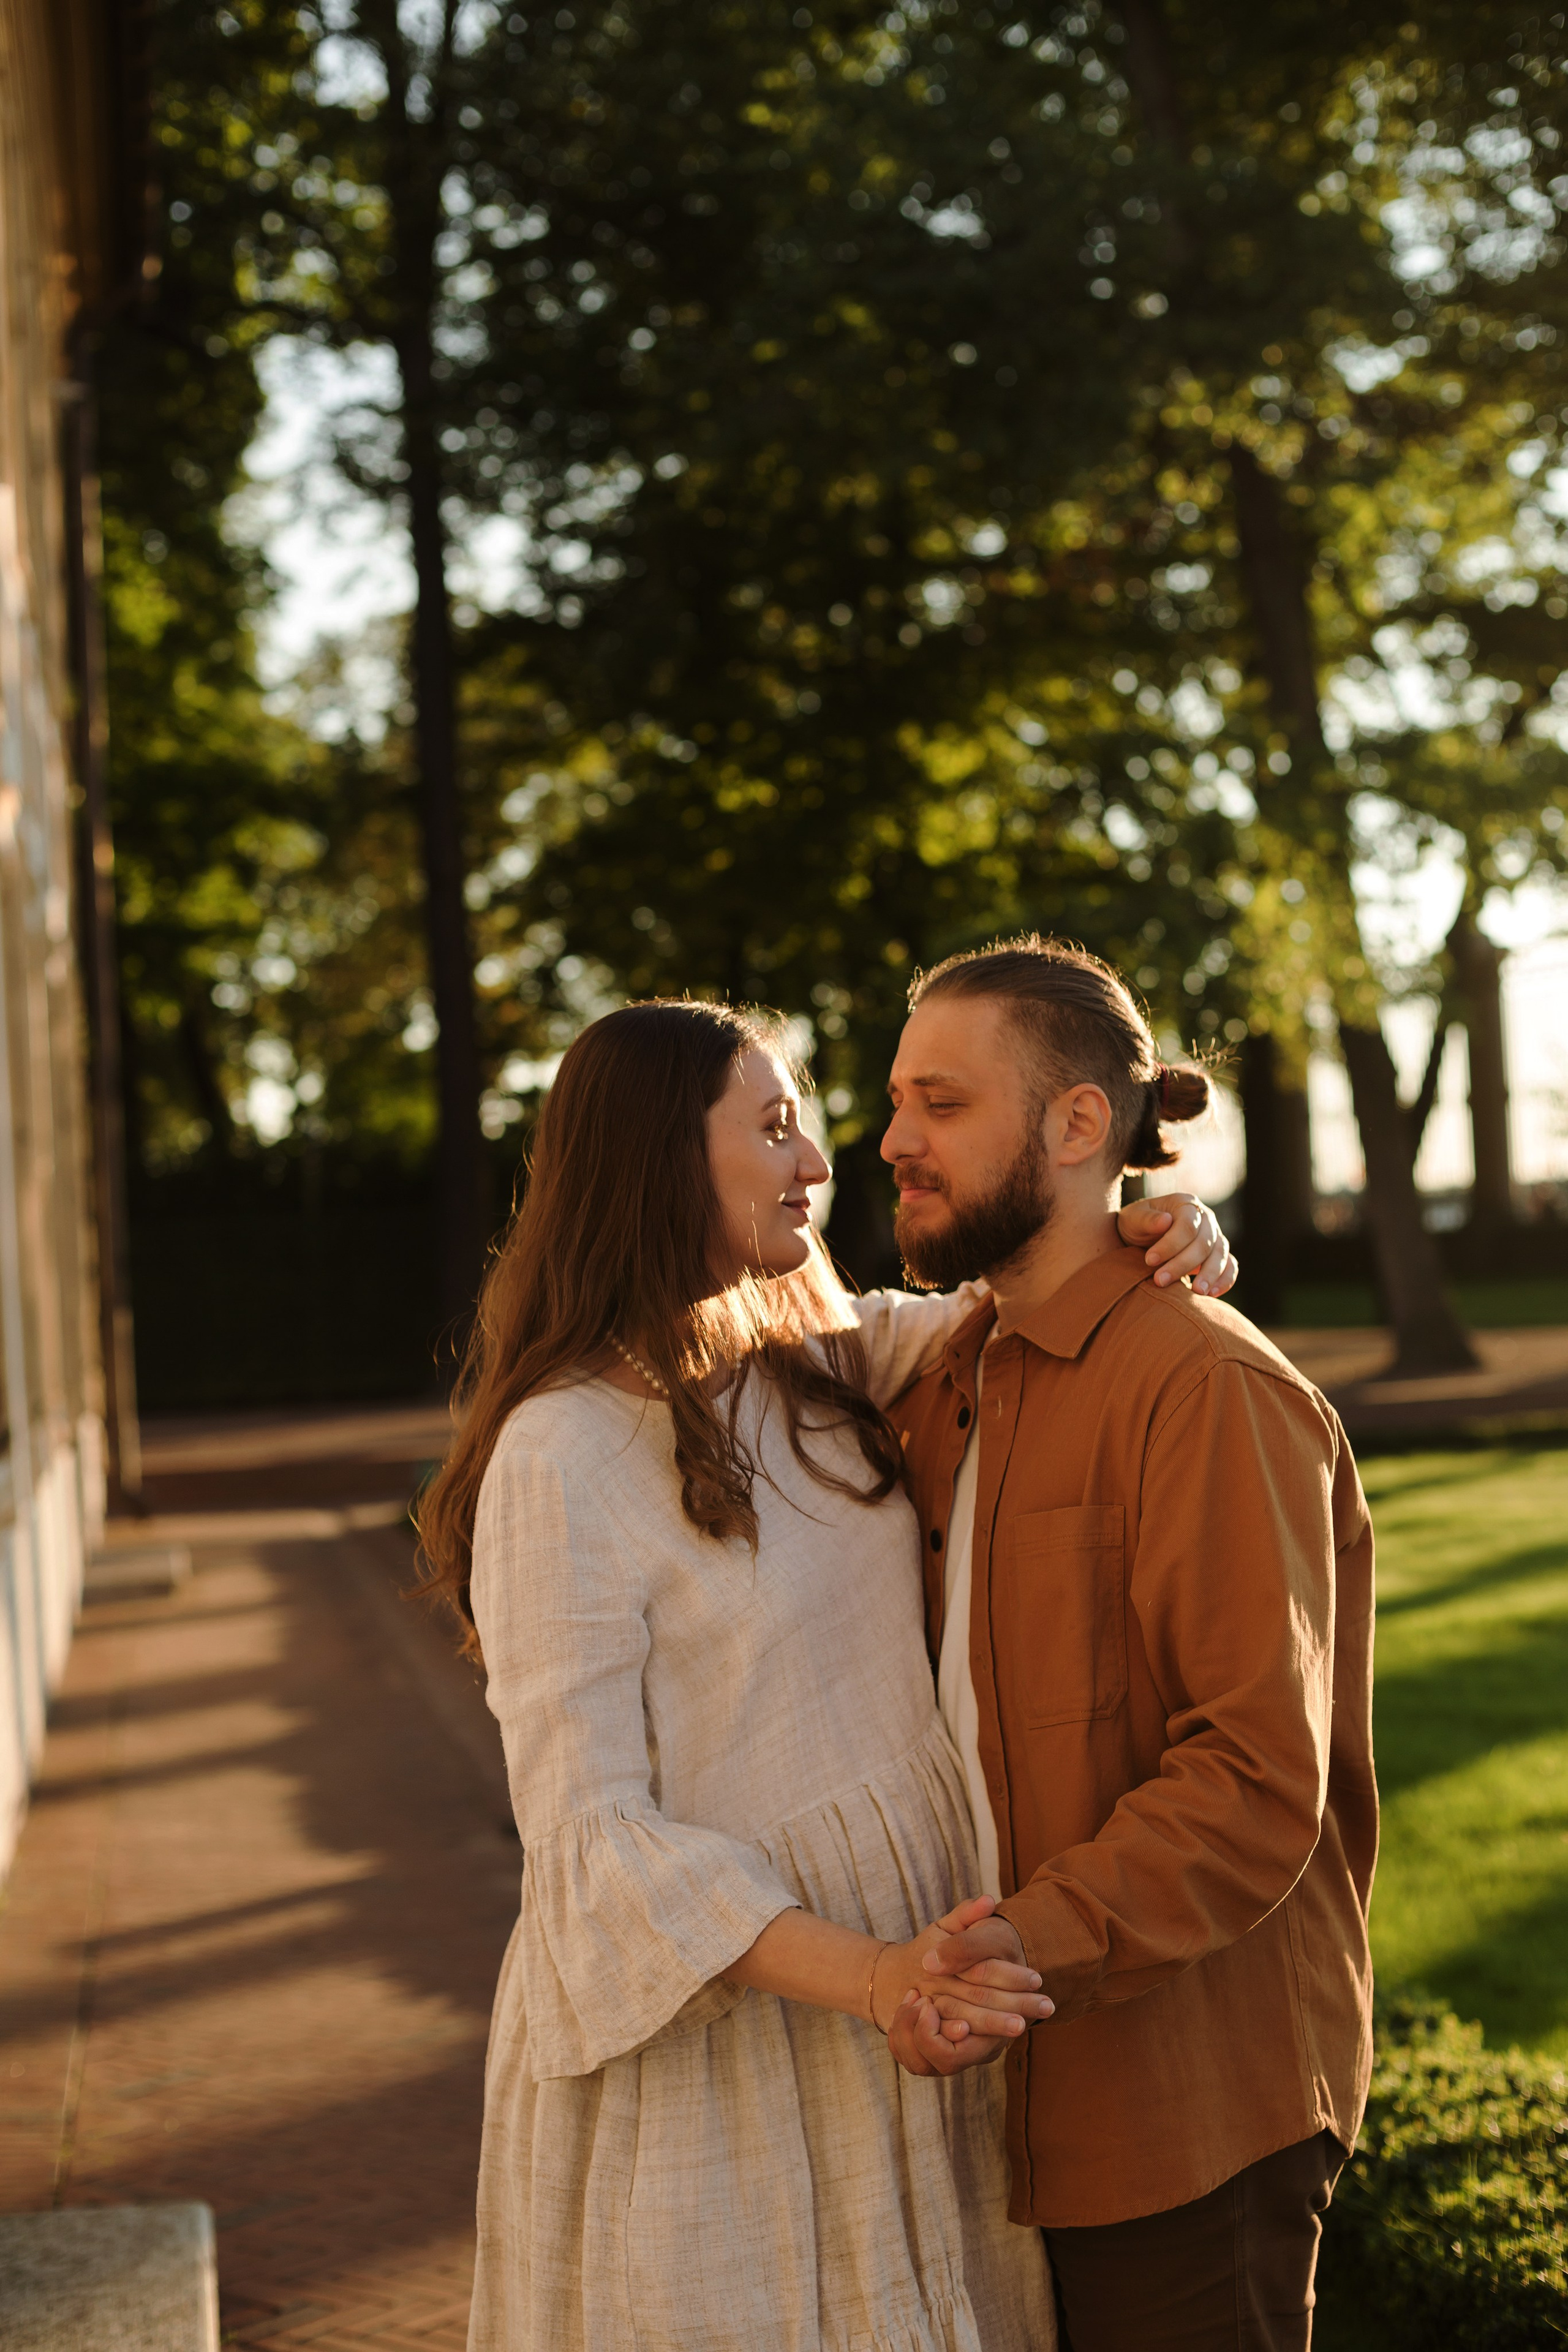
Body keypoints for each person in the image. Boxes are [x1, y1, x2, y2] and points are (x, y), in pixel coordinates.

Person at [416, 998, 1237, 2352]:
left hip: (923, 2019)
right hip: (736, 2046)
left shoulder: (814, 1353)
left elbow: (1020, 1289)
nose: (818, 1163)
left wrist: (1168, 1225)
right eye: (775, 1126)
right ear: (657, 1161)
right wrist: (870, 1978)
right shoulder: (556, 1457)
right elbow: (589, 1846)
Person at [876, 938, 1376, 2352]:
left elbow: (1253, 1780)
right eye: (897, 1102)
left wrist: (1008, 1950)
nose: (892, 1139)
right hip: (997, 2082)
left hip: (1181, 2108)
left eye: (941, 1103)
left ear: (1078, 1124)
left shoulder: (1204, 1387)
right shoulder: (946, 1378)